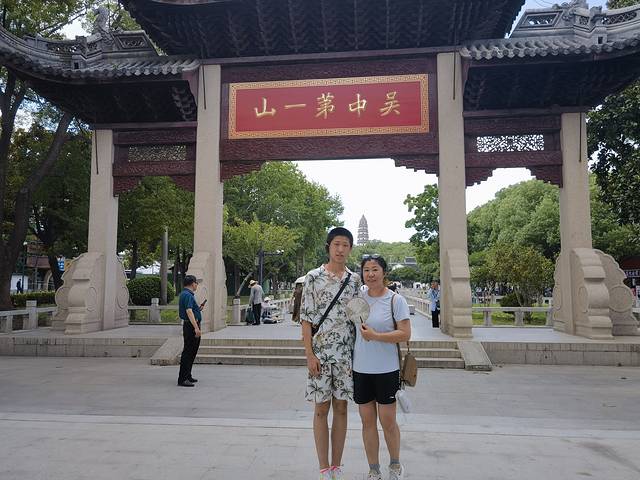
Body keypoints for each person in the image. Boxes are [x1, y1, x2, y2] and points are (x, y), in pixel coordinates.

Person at [301, 227, 362, 480]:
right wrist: (309, 355)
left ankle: (337, 465)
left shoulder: (354, 280)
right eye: (336, 244)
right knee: (320, 410)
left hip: (346, 356)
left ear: (350, 249)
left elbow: (359, 317)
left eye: (345, 245)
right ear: (328, 246)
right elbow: (306, 319)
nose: (340, 249)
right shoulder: (313, 277)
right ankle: (324, 468)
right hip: (321, 355)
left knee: (342, 408)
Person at [354, 254, 411, 480]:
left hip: (387, 370)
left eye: (375, 269)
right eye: (366, 270)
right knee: (367, 422)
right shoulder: (357, 299)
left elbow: (405, 334)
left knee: (388, 422)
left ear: (384, 272)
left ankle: (395, 464)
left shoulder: (395, 300)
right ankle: (374, 469)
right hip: (361, 369)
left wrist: (376, 335)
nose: (370, 274)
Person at [177, 275, 205, 387]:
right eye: (196, 283)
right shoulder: (188, 295)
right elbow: (189, 311)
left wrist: (198, 309)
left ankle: (188, 375)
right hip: (191, 326)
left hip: (190, 325)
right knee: (188, 352)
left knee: (192, 351)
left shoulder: (185, 294)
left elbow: (191, 309)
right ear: (193, 283)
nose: (197, 285)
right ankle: (183, 378)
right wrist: (196, 328)